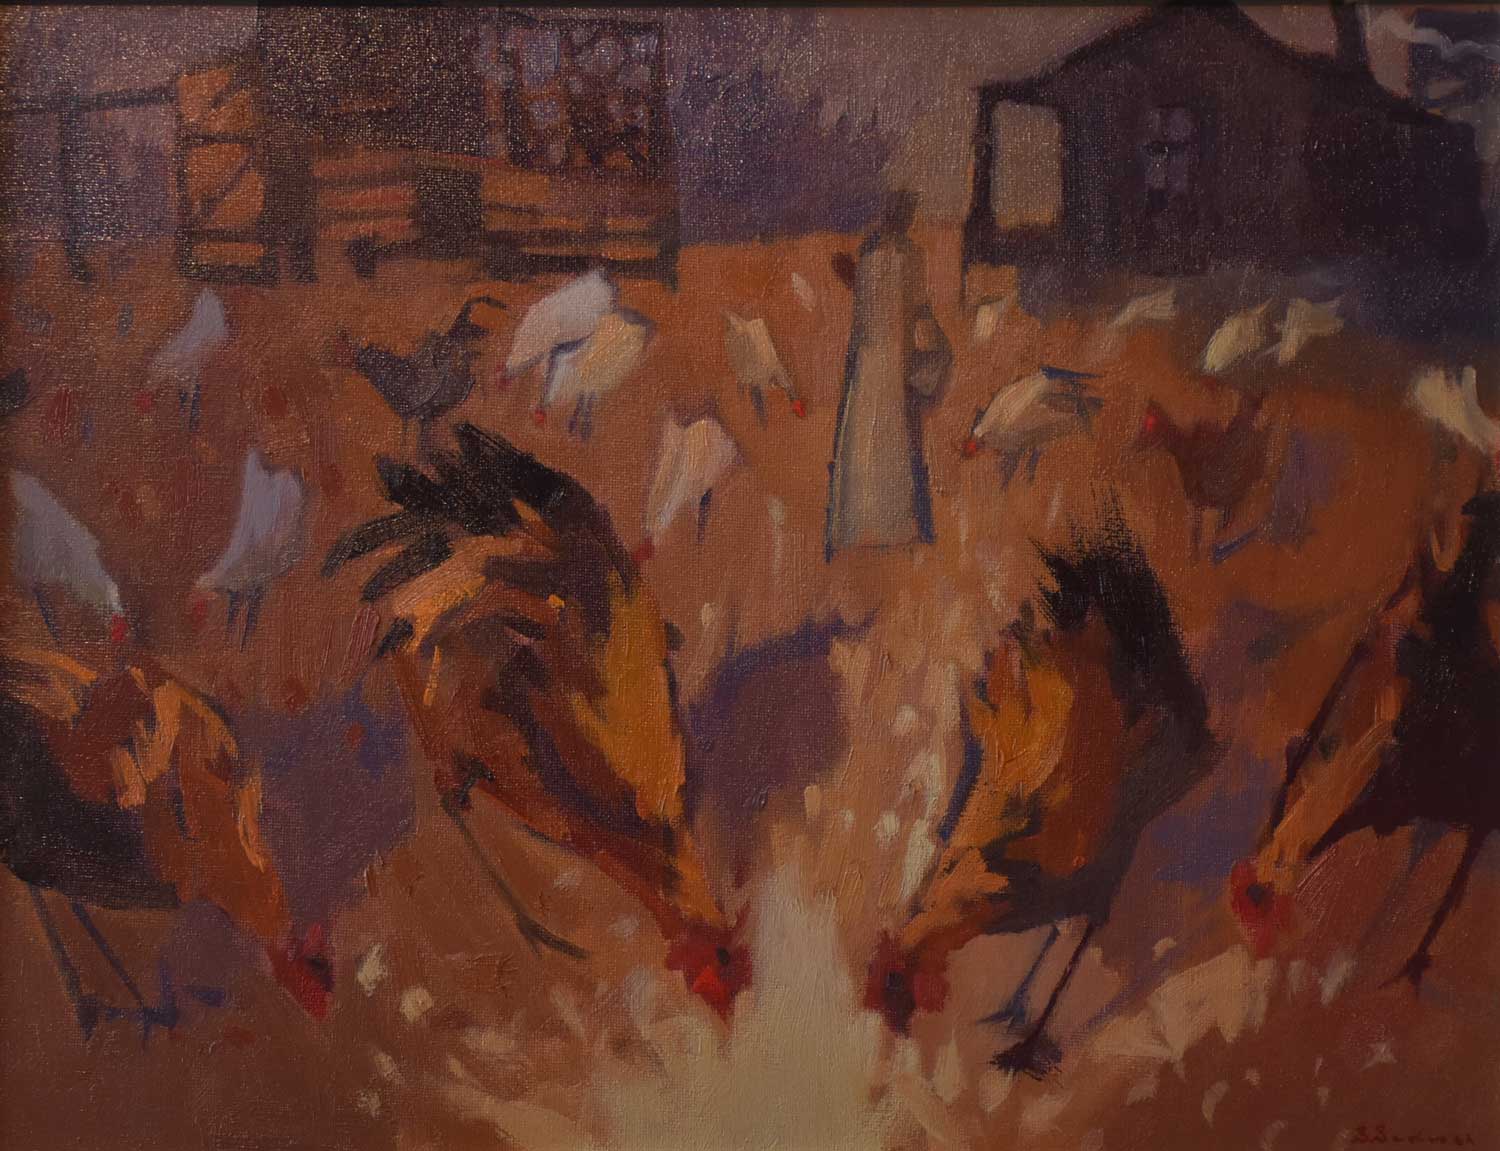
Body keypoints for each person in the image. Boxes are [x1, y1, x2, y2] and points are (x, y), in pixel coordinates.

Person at [825, 189, 951, 561]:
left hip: (872, 358)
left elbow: (870, 310)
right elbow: (912, 307)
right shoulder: (908, 256)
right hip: (893, 358)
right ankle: (894, 525)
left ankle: (859, 525)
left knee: (865, 439)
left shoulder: (870, 254)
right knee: (892, 437)